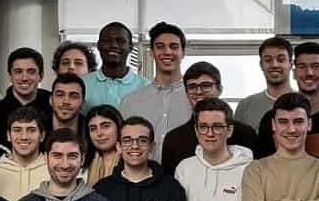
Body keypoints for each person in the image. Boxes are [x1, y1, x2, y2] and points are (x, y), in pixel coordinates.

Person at [254, 42, 319, 172]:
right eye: (302, 66)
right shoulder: (272, 120)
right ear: (294, 73)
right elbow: (263, 170)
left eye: (316, 66)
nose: (309, 73)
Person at [159, 62, 257, 174]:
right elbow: (168, 182)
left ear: (220, 89)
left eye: (205, 86)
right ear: (186, 93)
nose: (198, 92)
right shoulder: (173, 139)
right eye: (192, 87)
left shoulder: (246, 134)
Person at [119, 22, 190, 161]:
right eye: (160, 47)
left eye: (174, 47)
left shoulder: (195, 99)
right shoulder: (131, 101)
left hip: (187, 173)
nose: (167, 52)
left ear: (183, 52)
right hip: (143, 173)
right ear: (151, 52)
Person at [0, 106, 50, 201]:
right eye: (17, 130)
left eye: (31, 130)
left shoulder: (54, 174)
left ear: (42, 136)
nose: (24, 137)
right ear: (8, 135)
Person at [0, 48, 51, 146]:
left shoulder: (53, 108)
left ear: (41, 76)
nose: (24, 78)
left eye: (31, 71)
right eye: (18, 71)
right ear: (10, 76)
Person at [82, 22, 149, 112]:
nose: (114, 45)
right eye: (107, 40)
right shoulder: (82, 84)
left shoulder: (146, 87)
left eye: (121, 41)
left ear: (130, 47)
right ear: (98, 45)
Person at [236, 35, 295, 130]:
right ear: (261, 65)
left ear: (291, 64)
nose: (274, 65)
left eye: (280, 60)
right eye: (268, 60)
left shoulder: (306, 103)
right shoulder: (245, 106)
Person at [84, 106, 124, 184]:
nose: (99, 133)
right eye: (93, 128)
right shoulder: (81, 165)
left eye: (106, 126)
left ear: (119, 128)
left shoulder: (133, 163)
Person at [48, 72, 88, 138]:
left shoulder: (91, 129)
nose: (66, 101)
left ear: (83, 104)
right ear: (50, 100)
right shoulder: (37, 126)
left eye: (74, 96)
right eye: (60, 95)